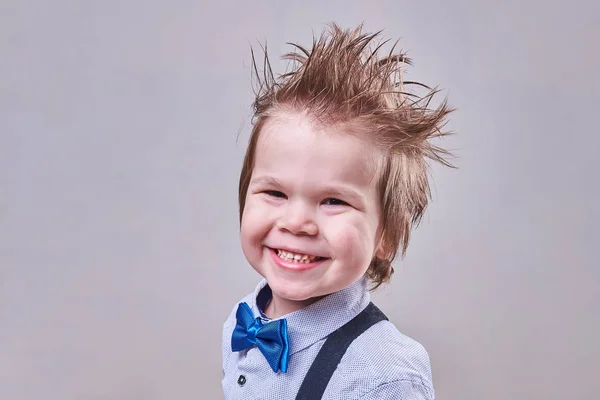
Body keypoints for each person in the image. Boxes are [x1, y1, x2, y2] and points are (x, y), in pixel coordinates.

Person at [221, 23, 454, 399]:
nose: (296, 223)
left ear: (386, 234)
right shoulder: (243, 320)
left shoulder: (384, 376)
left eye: (333, 201)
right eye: (275, 193)